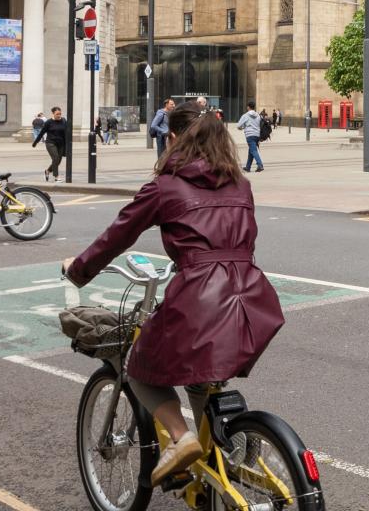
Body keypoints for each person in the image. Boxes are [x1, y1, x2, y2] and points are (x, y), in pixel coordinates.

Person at [61, 104, 284, 485]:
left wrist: (78, 269)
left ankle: (180, 439)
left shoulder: (165, 186)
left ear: (177, 138)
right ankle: (214, 457)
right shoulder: (240, 184)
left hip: (200, 294)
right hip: (252, 296)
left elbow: (117, 235)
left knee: (139, 368)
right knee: (201, 377)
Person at [33, 106, 68, 181]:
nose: (59, 115)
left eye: (60, 114)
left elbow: (66, 133)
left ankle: (48, 171)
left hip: (61, 144)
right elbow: (42, 133)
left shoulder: (64, 121)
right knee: (55, 158)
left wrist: (67, 144)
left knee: (58, 161)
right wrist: (35, 142)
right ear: (53, 113)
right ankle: (56, 176)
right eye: (57, 114)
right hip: (50, 143)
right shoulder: (48, 122)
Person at [237, 102, 264, 173]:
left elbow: (239, 125)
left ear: (248, 107)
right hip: (257, 135)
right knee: (251, 151)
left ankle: (260, 165)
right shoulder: (258, 115)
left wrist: (242, 127)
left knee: (253, 150)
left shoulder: (245, 115)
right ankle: (248, 167)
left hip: (250, 135)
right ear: (254, 107)